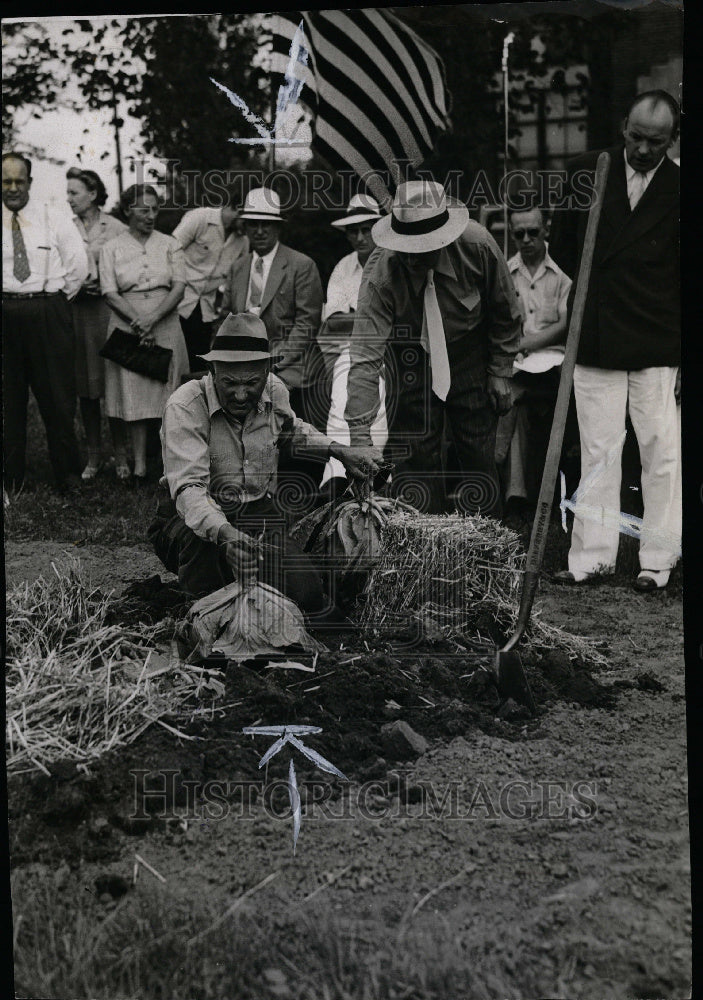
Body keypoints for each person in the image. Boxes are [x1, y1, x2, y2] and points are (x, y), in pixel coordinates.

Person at [148, 313, 383, 609]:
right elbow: (189, 490)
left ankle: (242, 576)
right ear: (211, 370)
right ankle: (203, 599)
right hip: (189, 519)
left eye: (252, 383)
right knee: (215, 603)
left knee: (307, 598)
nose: (242, 394)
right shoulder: (185, 406)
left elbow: (292, 429)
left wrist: (339, 451)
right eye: (230, 383)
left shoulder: (275, 390)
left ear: (267, 370)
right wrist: (226, 535)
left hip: (255, 512)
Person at [549, 90, 681, 593]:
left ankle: (658, 559)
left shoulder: (681, 184)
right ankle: (591, 559)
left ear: (672, 140)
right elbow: (563, 244)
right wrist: (596, 296)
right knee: (599, 450)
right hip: (599, 333)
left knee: (660, 450)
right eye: (637, 137)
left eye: (657, 142)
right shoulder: (588, 169)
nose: (644, 150)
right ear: (624, 125)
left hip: (658, 335)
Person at [344, 179, 522, 516]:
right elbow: (365, 358)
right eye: (404, 246)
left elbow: (506, 311)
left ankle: (486, 553)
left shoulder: (478, 246)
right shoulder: (380, 274)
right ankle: (423, 550)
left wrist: (500, 369)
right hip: (409, 362)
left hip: (469, 356)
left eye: (421, 247)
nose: (410, 257)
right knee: (413, 460)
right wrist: (360, 436)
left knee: (478, 455)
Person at [2, 151, 89, 491]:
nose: (12, 188)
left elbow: (78, 266)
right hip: (4, 313)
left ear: (30, 183)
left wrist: (51, 302)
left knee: (57, 396)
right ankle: (11, 478)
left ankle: (67, 474)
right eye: (5, 181)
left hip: (47, 311)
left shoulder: (53, 216)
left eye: (18, 181)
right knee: (7, 398)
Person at [99, 183, 188, 481]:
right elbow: (110, 291)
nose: (151, 216)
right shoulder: (111, 248)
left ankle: (171, 464)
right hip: (127, 325)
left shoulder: (170, 243)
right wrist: (139, 321)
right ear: (127, 211)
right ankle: (139, 465)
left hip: (165, 321)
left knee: (169, 395)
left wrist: (153, 319)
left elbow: (178, 286)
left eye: (155, 209)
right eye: (143, 210)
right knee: (133, 393)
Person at [495, 205, 572, 509]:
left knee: (517, 403)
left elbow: (566, 324)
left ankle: (525, 491)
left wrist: (522, 343)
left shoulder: (563, 268)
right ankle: (516, 495)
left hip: (556, 362)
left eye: (533, 232)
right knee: (510, 406)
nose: (526, 239)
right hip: (519, 365)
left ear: (546, 229)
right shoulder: (505, 271)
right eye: (519, 234)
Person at [221, 187, 323, 412]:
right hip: (242, 366)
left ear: (278, 227)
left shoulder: (302, 266)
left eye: (266, 224)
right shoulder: (237, 268)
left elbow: (306, 325)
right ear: (244, 227)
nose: (259, 231)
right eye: (253, 224)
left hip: (289, 365)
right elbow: (225, 320)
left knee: (278, 418)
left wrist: (272, 362)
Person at [318, 193, 389, 497]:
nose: (359, 237)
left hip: (389, 352)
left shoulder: (390, 261)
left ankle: (374, 473)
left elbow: (396, 323)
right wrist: (370, 318)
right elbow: (333, 323)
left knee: (380, 399)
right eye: (353, 230)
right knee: (342, 395)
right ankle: (336, 477)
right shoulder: (343, 268)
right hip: (349, 351)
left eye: (366, 228)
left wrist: (354, 316)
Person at [66, 167, 129, 480]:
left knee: (112, 385)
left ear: (92, 194)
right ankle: (93, 456)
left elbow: (127, 268)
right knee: (86, 388)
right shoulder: (65, 228)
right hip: (78, 314)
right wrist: (75, 286)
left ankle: (121, 455)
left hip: (108, 314)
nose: (69, 199)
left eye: (74, 193)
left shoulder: (116, 228)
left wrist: (106, 283)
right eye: (68, 193)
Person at [172, 193, 249, 372]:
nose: (251, 227)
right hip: (177, 302)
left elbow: (238, 280)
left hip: (206, 310)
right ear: (236, 208)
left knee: (198, 365)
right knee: (172, 362)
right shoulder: (200, 218)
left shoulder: (243, 241)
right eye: (248, 220)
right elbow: (169, 250)